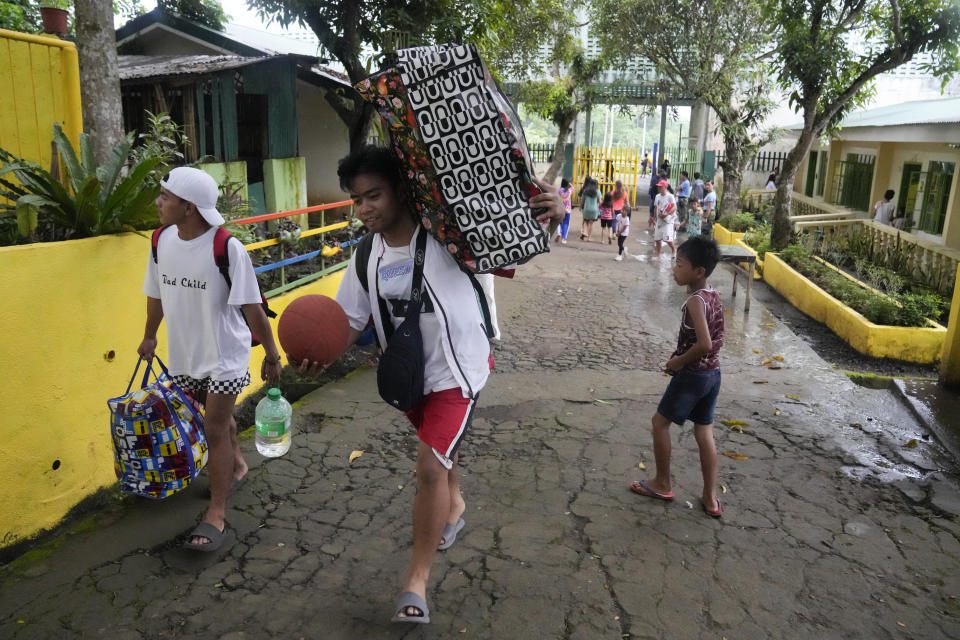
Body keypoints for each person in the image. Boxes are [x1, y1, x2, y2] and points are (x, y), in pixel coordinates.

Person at [296, 145, 563, 625]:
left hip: (458, 371)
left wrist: (552, 212)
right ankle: (454, 503)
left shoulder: (448, 235)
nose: (364, 209)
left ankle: (415, 583)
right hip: (408, 375)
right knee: (439, 455)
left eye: (373, 195)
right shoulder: (365, 256)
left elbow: (513, 245)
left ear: (400, 189)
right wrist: (317, 352)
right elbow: (349, 321)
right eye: (357, 200)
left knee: (428, 467)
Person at [138, 166, 283, 551]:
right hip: (186, 354)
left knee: (213, 428)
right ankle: (237, 465)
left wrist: (272, 353)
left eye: (165, 197)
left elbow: (252, 307)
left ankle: (216, 514)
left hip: (223, 354)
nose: (158, 201)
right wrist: (150, 335)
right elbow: (156, 294)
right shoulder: (160, 241)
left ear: (188, 207)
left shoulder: (226, 247)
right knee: (214, 418)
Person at [629, 236, 724, 518]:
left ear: (699, 272)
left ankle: (662, 483)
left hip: (692, 374)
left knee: (659, 423)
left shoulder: (696, 301)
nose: (674, 268)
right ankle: (710, 496)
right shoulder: (713, 295)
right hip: (712, 374)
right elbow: (715, 341)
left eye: (680, 264)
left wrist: (678, 362)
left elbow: (704, 343)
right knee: (704, 432)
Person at [653, 180, 678, 258]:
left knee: (667, 239)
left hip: (668, 220)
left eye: (661, 187)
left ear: (665, 187)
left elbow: (674, 207)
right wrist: (654, 218)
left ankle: (674, 250)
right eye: (658, 186)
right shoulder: (657, 196)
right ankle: (658, 254)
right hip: (659, 220)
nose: (659, 188)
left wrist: (667, 213)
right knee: (657, 239)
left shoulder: (670, 196)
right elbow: (655, 208)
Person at [579, 176, 600, 241]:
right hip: (594, 209)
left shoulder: (585, 191)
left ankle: (584, 232)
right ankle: (589, 238)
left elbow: (582, 201)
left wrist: (580, 207)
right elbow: (600, 201)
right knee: (591, 223)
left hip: (586, 209)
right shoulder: (598, 191)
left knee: (585, 221)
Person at [556, 178, 573, 244]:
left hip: (561, 209)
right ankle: (564, 239)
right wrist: (569, 184)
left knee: (560, 222)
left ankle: (559, 232)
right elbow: (572, 186)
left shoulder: (559, 191)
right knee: (566, 223)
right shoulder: (570, 190)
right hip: (568, 210)